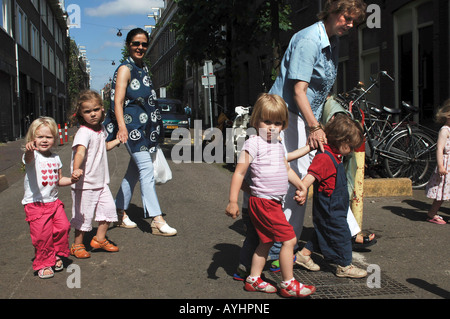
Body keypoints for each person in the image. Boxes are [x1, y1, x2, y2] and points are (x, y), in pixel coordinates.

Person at [268, 0, 367, 258]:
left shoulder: (332, 40)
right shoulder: (310, 40)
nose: (350, 24)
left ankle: (343, 232)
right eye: (346, 17)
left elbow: (320, 89)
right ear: (332, 11)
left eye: (354, 21)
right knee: (298, 178)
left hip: (306, 115)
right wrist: (315, 126)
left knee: (323, 169)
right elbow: (299, 91)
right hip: (289, 115)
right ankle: (282, 249)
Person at [226, 93, 315, 298]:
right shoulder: (254, 143)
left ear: (283, 125)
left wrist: (301, 186)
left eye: (278, 122)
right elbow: (239, 173)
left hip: (272, 203)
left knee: (265, 242)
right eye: (267, 121)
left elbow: (287, 170)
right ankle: (288, 283)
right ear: (256, 121)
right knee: (290, 240)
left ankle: (254, 278)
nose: (272, 127)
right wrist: (232, 201)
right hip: (263, 203)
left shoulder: (278, 144)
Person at [103, 28, 177, 236]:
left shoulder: (143, 69)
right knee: (146, 170)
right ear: (128, 45)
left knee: (133, 172)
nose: (140, 47)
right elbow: (118, 101)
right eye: (136, 43)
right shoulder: (126, 69)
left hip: (146, 129)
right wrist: (123, 127)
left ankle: (118, 213)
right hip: (132, 128)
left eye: (144, 44)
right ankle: (157, 220)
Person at [295, 114, 367, 278]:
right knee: (341, 234)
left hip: (334, 206)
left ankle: (304, 254)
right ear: (340, 141)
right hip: (330, 207)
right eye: (350, 146)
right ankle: (344, 265)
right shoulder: (325, 158)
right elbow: (311, 175)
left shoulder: (334, 155)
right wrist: (302, 189)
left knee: (324, 231)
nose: (351, 151)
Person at [22, 117, 76, 279]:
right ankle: (44, 263)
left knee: (64, 227)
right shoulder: (33, 157)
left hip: (53, 203)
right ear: (32, 138)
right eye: (40, 137)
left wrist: (72, 180)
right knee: (42, 236)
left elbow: (59, 180)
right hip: (36, 205)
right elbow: (28, 158)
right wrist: (29, 150)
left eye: (48, 137)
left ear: (55, 138)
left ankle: (57, 254)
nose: (44, 140)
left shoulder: (56, 158)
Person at [70, 90, 121, 259]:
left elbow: (103, 148)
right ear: (81, 114)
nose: (92, 114)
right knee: (83, 215)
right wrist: (76, 169)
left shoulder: (101, 129)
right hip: (85, 183)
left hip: (101, 182)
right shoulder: (84, 132)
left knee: (108, 209)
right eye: (87, 111)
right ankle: (77, 245)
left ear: (102, 110)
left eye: (96, 110)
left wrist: (119, 140)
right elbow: (80, 152)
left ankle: (99, 239)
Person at [425, 98, 450, 225]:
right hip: (446, 166)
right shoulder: (445, 130)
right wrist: (440, 165)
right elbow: (439, 149)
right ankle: (431, 214)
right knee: (441, 194)